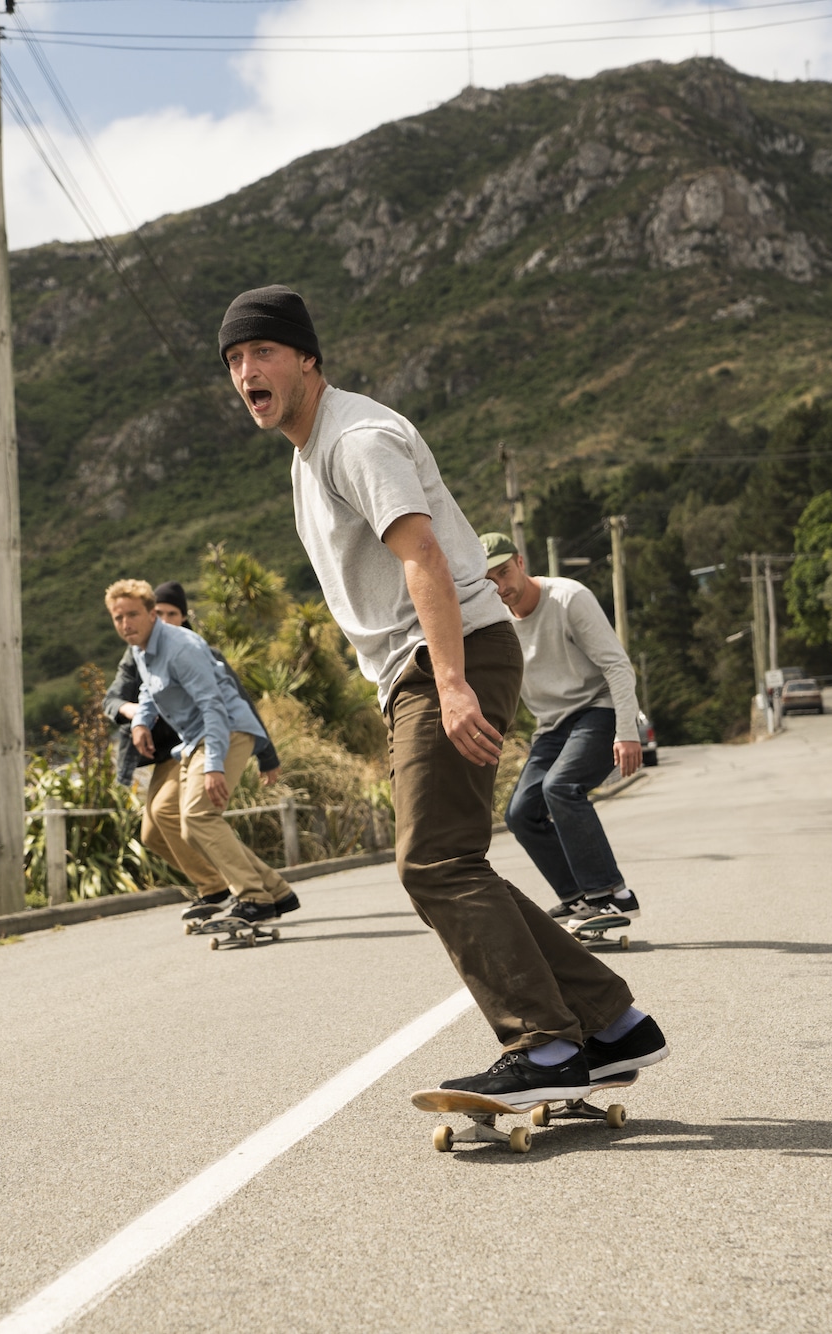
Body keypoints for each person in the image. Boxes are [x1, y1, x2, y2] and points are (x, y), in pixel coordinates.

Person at [218, 284, 667, 1104]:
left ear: (308, 358)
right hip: (425, 666)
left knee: (433, 861)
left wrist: (451, 683)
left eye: (264, 352)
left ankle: (545, 1044)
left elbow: (421, 553)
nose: (247, 371)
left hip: (447, 656)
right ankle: (610, 1024)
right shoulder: (308, 454)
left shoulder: (355, 438)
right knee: (447, 859)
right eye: (235, 359)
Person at [105, 578, 300, 925]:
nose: (125, 624)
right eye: (118, 618)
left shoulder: (181, 646)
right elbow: (150, 691)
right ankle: (276, 891)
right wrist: (140, 723)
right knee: (189, 827)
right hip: (196, 737)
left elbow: (214, 705)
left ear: (151, 614)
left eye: (132, 615)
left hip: (227, 731)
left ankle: (254, 898)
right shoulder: (141, 649)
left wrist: (213, 766)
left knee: (198, 816)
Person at [478, 531, 644, 924]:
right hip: (552, 727)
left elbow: (617, 666)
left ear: (521, 563)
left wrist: (627, 731)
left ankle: (614, 895)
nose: (501, 586)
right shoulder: (496, 623)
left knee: (560, 787)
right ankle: (580, 898)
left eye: (504, 572)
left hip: (598, 710)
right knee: (521, 814)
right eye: (490, 581)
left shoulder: (569, 598)